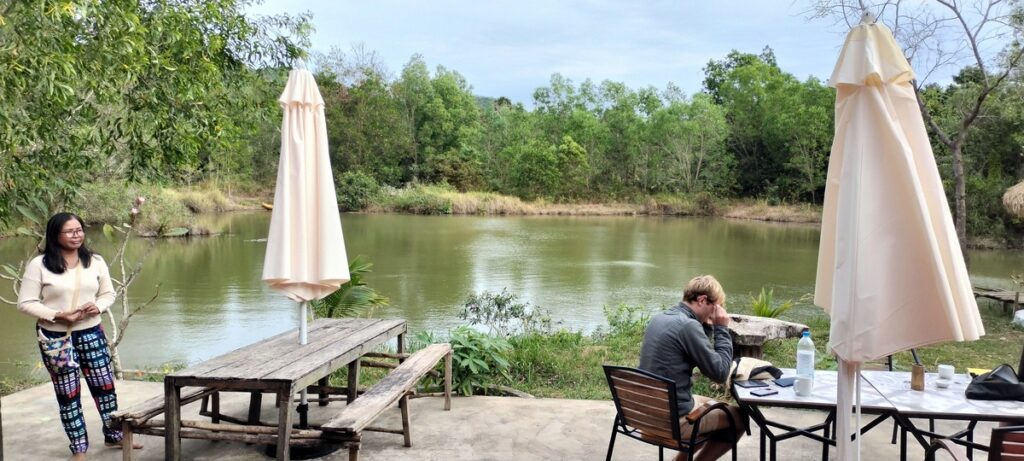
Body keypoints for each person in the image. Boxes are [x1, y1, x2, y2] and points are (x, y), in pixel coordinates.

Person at [17, 212, 142, 460]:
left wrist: (99, 306)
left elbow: (108, 293)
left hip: (91, 332)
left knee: (104, 387)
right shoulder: (39, 265)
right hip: (56, 339)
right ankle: (78, 448)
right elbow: (25, 303)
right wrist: (57, 315)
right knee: (68, 393)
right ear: (55, 235)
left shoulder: (94, 261)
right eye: (70, 231)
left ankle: (114, 436)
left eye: (79, 230)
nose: (77, 235)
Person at [638, 275, 747, 461]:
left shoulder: (661, 318)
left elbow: (704, 357)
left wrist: (708, 325)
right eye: (717, 307)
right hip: (671, 421)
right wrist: (721, 328)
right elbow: (719, 373)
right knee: (740, 419)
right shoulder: (687, 326)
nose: (716, 313)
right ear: (703, 300)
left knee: (710, 406)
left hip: (643, 413)